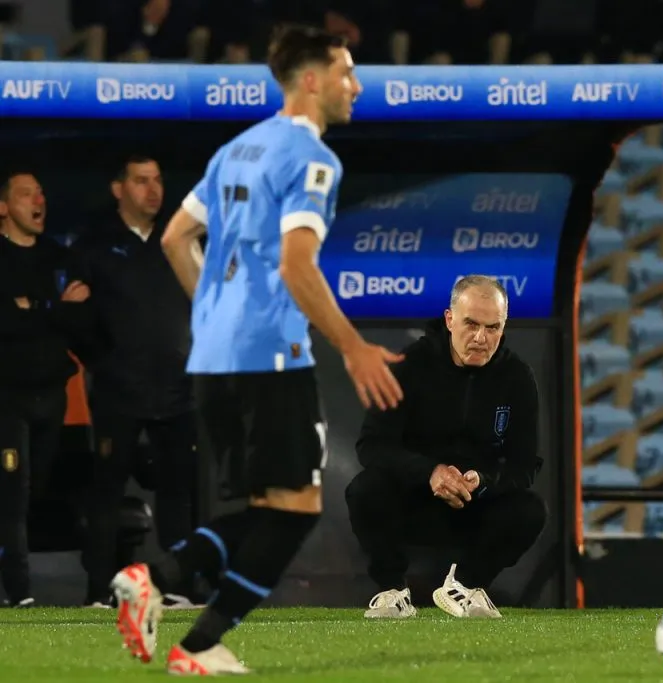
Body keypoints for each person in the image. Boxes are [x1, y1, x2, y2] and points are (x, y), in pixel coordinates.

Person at [108, 25, 405, 675]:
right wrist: (353, 346)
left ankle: (166, 596)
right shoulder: (313, 158)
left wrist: (215, 315)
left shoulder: (237, 149)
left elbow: (175, 237)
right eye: (346, 71)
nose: (356, 84)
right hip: (270, 355)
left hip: (213, 357)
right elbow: (299, 263)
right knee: (296, 512)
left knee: (270, 509)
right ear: (311, 80)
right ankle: (185, 623)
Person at [346, 275, 547, 620]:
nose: (481, 338)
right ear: (450, 319)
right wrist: (429, 473)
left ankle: (464, 587)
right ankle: (392, 591)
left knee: (530, 510)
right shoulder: (407, 366)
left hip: (475, 505)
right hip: (413, 499)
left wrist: (483, 480)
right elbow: (372, 446)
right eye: (471, 324)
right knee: (365, 489)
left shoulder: (517, 377)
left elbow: (525, 464)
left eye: (493, 327)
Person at [75, 155, 199, 609]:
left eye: (158, 181)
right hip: (117, 393)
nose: (152, 190)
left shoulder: (177, 240)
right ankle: (99, 592)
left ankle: (177, 587)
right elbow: (75, 316)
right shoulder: (94, 245)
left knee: (178, 496)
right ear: (118, 189)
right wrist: (105, 361)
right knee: (107, 493)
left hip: (177, 391)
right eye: (141, 181)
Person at [0, 171, 99, 607]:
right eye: (26, 194)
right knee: (13, 495)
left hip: (51, 396)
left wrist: (34, 310)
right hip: (7, 397)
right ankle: (19, 595)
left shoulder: (59, 258)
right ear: (3, 207)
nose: (38, 200)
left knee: (34, 491)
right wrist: (55, 310)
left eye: (41, 192)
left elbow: (81, 319)